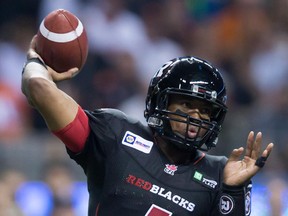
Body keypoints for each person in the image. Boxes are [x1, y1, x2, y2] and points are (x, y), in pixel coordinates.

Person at [21, 35, 273, 216]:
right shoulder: (114, 134)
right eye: (186, 104)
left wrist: (233, 192)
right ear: (159, 101)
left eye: (206, 111)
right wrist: (36, 63)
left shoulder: (221, 174)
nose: (196, 117)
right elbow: (39, 88)